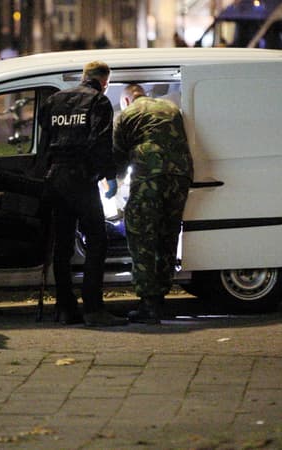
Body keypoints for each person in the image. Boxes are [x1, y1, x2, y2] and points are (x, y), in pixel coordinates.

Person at [38, 61, 127, 327]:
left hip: (56, 178)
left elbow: (45, 142)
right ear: (104, 81)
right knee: (98, 242)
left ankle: (65, 308)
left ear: (83, 76)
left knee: (62, 246)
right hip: (81, 180)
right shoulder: (98, 102)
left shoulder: (54, 100)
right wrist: (110, 177)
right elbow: (101, 143)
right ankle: (93, 309)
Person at [113, 84, 194, 324]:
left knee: (142, 236)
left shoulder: (127, 114)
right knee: (168, 234)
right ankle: (161, 296)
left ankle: (148, 303)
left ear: (127, 100)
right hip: (180, 176)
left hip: (151, 176)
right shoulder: (171, 107)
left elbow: (118, 156)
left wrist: (112, 184)